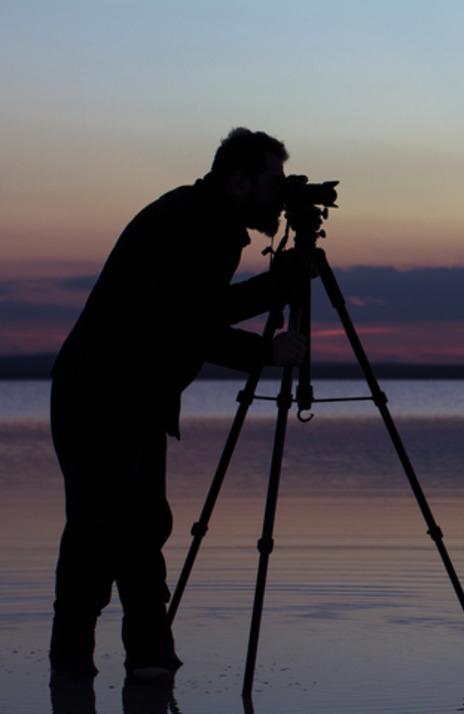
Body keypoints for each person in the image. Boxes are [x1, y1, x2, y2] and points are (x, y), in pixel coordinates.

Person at [48, 128, 309, 680]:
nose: (280, 199)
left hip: (135, 396)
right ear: (240, 182)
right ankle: (76, 664)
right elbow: (183, 325)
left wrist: (276, 285)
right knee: (99, 529)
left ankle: (144, 663)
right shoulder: (190, 223)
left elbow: (202, 309)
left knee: (141, 527)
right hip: (100, 395)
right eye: (274, 184)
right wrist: (266, 352)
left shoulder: (206, 219)